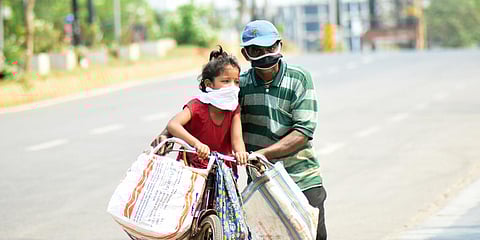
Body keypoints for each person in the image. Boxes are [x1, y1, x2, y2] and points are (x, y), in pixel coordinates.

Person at [238, 20, 327, 240]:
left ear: (280, 46)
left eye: (270, 48)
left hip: (302, 178)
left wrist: (261, 155)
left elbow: (303, 131)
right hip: (263, 183)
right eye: (256, 50)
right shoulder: (240, 85)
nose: (265, 54)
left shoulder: (299, 78)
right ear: (245, 53)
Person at [164, 46, 249, 168]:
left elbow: (237, 140)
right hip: (193, 167)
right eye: (226, 81)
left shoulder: (234, 108)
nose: (232, 87)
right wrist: (196, 144)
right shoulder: (197, 105)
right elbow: (173, 125)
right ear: (209, 84)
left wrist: (241, 153)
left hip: (223, 168)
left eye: (236, 82)